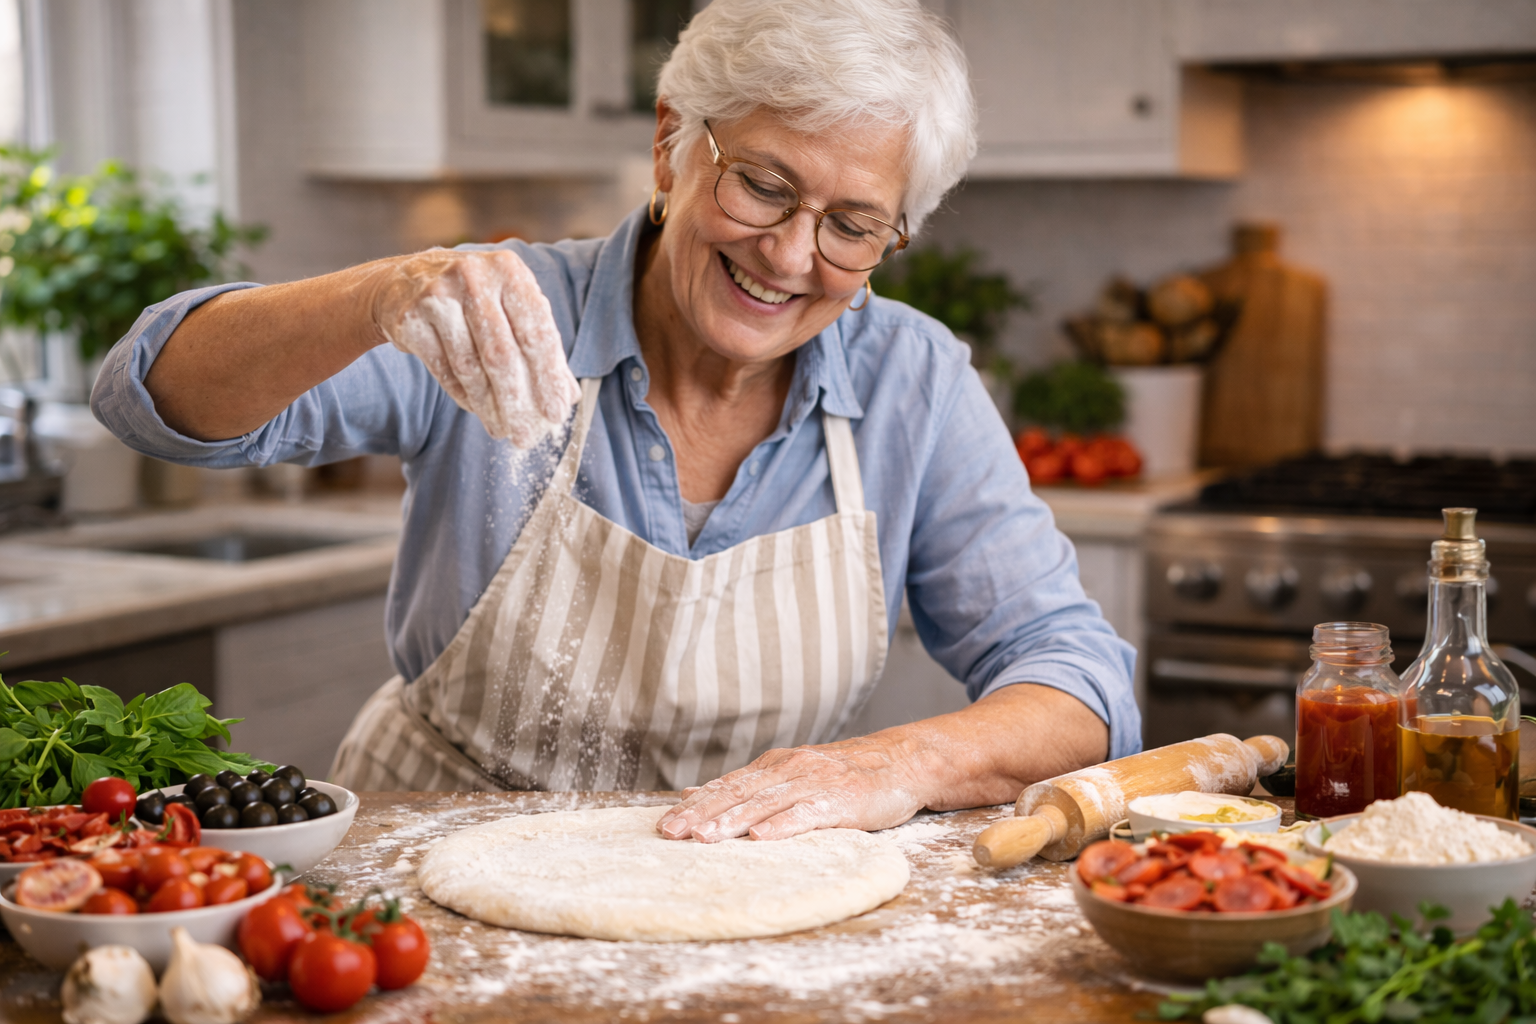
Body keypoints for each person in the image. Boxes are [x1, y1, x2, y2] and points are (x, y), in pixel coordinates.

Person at [92, 0, 1137, 844]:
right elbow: (152, 400)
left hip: (739, 885)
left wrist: (896, 763)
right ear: (672, 143)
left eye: (852, 226)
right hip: (433, 870)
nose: (787, 256)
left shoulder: (913, 380)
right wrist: (376, 296)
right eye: (765, 187)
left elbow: (1077, 677)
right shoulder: (490, 313)